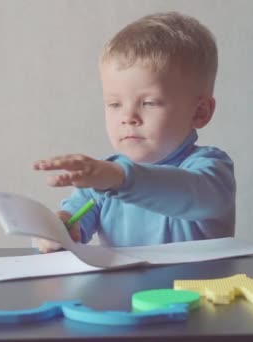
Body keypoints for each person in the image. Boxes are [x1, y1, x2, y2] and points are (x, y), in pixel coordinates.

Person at [33, 11, 235, 253]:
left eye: (149, 103)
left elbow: (185, 193)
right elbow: (71, 225)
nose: (128, 117)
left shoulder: (211, 171)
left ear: (200, 112)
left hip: (197, 291)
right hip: (121, 292)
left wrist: (119, 178)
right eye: (115, 104)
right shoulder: (102, 179)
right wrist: (57, 232)